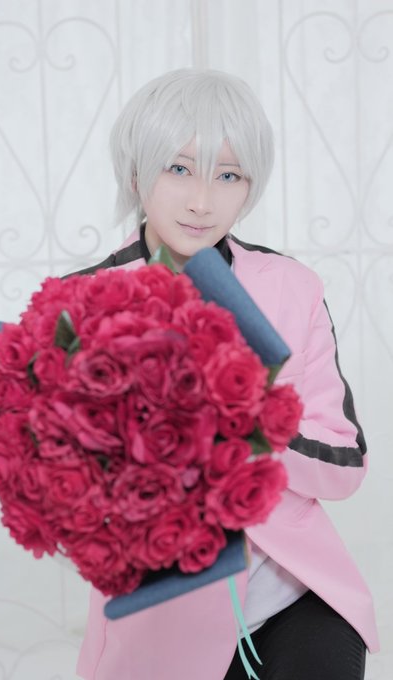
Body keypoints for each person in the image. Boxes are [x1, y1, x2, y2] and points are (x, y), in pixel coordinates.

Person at [73, 68, 379, 680]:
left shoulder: (291, 287)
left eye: (229, 175)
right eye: (179, 168)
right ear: (136, 173)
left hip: (296, 592)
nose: (202, 201)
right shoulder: (77, 303)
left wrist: (244, 427)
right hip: (161, 614)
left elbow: (345, 464)